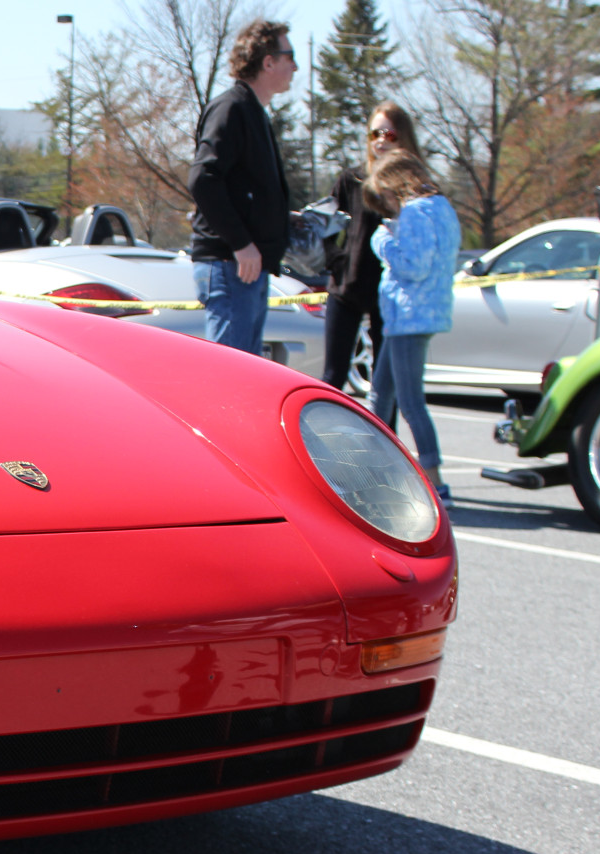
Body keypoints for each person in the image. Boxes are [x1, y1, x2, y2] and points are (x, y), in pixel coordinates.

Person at [188, 19, 297, 355]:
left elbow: (243, 189)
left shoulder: (254, 112)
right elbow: (202, 179)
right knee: (229, 376)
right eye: (290, 56)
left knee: (244, 373)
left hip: (246, 268)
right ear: (268, 62)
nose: (295, 67)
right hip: (231, 265)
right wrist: (241, 243)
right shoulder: (232, 108)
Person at [365, 148, 461, 506]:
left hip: (409, 315)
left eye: (388, 195)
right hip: (417, 314)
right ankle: (372, 471)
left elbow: (413, 266)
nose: (388, 204)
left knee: (409, 402)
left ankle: (435, 481)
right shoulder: (442, 208)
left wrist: (382, 241)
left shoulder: (417, 212)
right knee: (380, 395)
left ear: (398, 185)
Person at [321, 103, 423, 389]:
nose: (381, 141)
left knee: (386, 382)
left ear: (403, 137)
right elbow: (324, 228)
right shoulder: (351, 179)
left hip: (389, 292)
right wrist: (337, 261)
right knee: (332, 378)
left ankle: (383, 422)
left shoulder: (414, 186)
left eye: (390, 134)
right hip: (347, 288)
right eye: (375, 134)